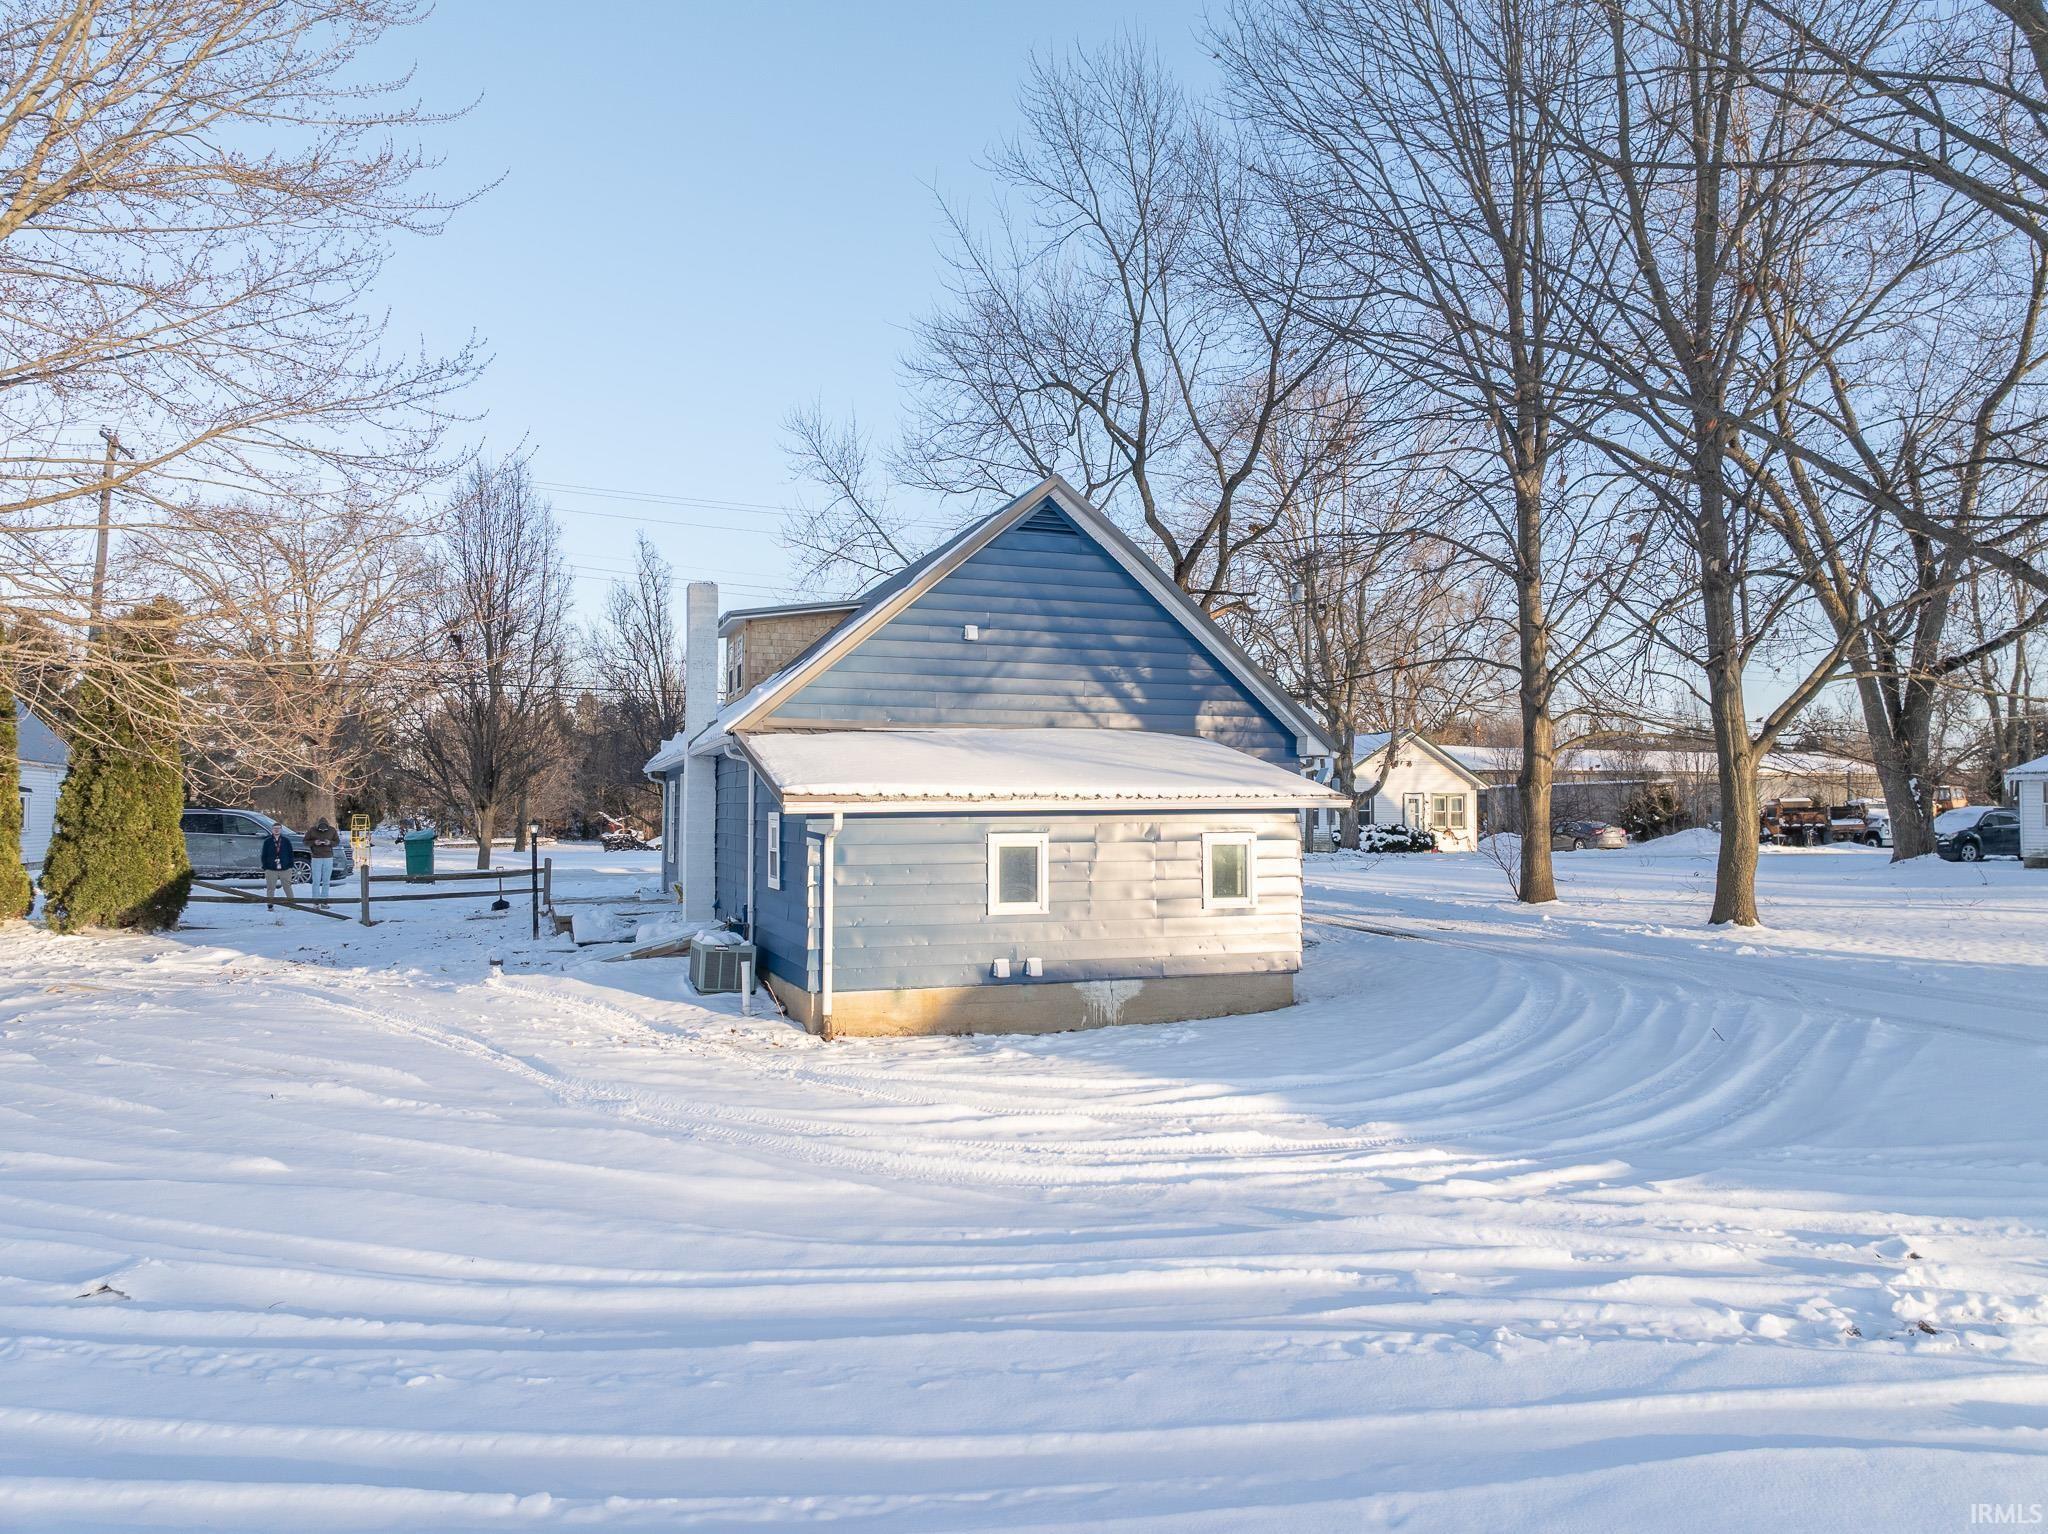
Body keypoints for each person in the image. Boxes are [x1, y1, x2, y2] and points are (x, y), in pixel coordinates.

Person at [260, 822, 297, 911]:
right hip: (271, 869)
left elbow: (291, 854)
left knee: (287, 886)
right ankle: (270, 905)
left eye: (278, 828)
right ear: (272, 830)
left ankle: (292, 904)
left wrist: (290, 866)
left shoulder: (286, 841)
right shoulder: (267, 841)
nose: (276, 830)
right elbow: (263, 855)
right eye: (274, 828)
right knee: (270, 888)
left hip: (285, 868)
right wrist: (265, 867)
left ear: (281, 830)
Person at [304, 817, 339, 905]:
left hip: (328, 857)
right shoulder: (312, 830)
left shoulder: (332, 830)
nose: (322, 830)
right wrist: (314, 842)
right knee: (316, 880)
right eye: (321, 829)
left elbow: (337, 842)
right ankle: (316, 901)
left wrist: (330, 842)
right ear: (318, 826)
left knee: (326, 880)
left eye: (324, 829)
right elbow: (305, 842)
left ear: (327, 826)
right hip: (316, 858)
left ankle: (324, 901)